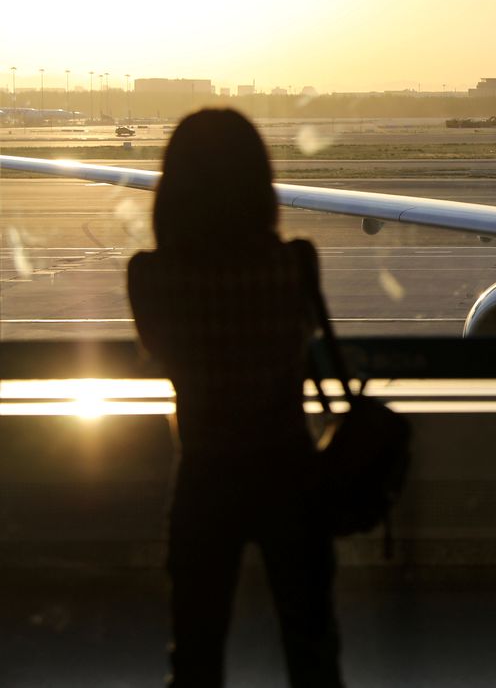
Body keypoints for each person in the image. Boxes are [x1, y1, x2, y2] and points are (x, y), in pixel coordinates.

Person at [128, 109, 343, 687]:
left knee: (196, 654)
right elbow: (306, 341)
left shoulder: (149, 276)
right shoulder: (297, 263)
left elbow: (159, 348)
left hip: (206, 472)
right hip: (289, 471)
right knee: (313, 650)